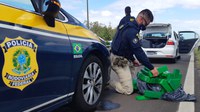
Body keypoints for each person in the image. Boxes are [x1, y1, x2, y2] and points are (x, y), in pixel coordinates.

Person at [110, 9, 159, 95]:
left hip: (124, 57)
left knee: (134, 64)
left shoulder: (132, 24)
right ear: (141, 19)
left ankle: (127, 80)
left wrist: (133, 59)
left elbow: (127, 47)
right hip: (116, 60)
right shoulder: (131, 31)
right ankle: (107, 81)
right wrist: (152, 68)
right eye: (146, 24)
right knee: (128, 90)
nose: (145, 26)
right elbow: (138, 51)